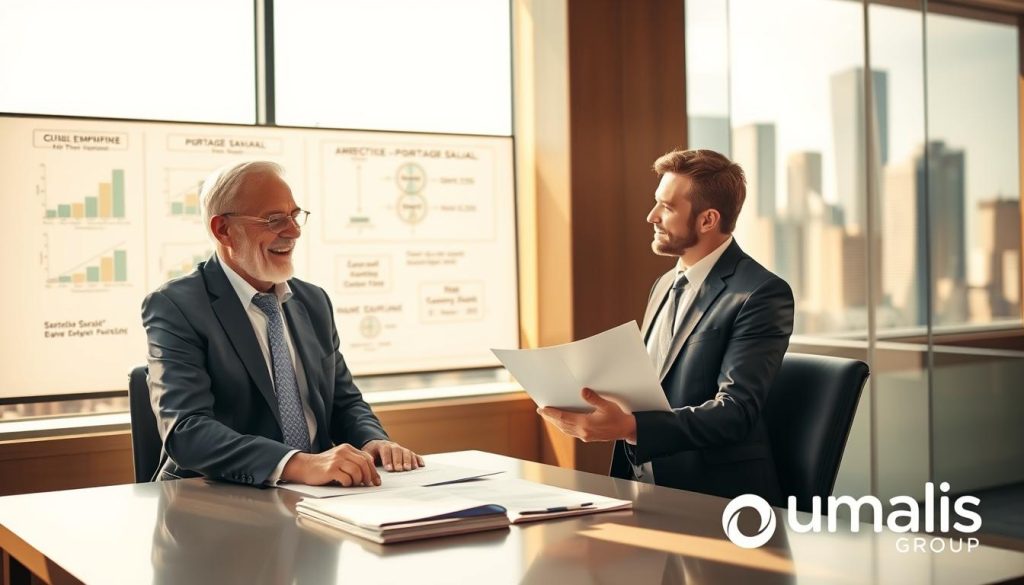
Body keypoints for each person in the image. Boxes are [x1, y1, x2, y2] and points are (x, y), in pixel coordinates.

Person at [142, 161, 422, 487]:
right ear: (223, 230)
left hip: (317, 499)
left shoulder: (313, 301)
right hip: (215, 502)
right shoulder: (176, 306)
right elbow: (187, 432)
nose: (294, 231)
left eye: (295, 215)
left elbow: (344, 402)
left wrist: (372, 441)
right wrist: (298, 464)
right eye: (274, 220)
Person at [538, 148, 793, 505]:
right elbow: (653, 388)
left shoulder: (761, 293)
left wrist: (630, 427)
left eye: (668, 207)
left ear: (707, 220)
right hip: (643, 491)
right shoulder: (664, 284)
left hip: (716, 499)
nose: (651, 216)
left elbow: (735, 412)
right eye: (656, 202)